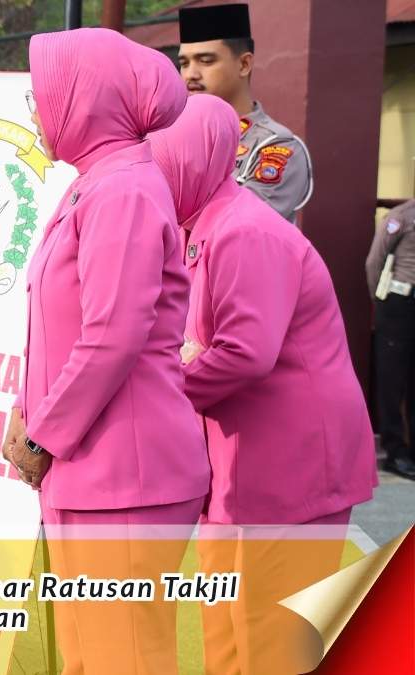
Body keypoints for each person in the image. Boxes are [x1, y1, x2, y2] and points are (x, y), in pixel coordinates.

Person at [3, 28, 211, 675]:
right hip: (94, 469)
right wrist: (24, 409)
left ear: (82, 99)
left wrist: (41, 434)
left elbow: (112, 335)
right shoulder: (95, 183)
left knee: (124, 659)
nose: (36, 111)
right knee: (91, 657)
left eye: (43, 95)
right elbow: (58, 325)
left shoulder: (123, 190)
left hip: (126, 476)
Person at [150, 94, 377, 674]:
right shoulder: (202, 226)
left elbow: (244, 353)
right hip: (241, 467)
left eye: (158, 157)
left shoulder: (244, 231)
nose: (149, 175)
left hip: (289, 469)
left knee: (272, 643)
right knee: (227, 637)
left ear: (190, 158)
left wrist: (160, 393)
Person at [177, 3, 313, 223]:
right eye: (184, 63)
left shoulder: (276, 145)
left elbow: (241, 225)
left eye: (206, 61)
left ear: (244, 64)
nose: (191, 74)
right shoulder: (173, 137)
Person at [366, 200, 415, 481]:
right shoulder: (401, 216)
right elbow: (375, 261)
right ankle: (395, 452)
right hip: (399, 303)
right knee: (392, 380)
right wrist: (382, 302)